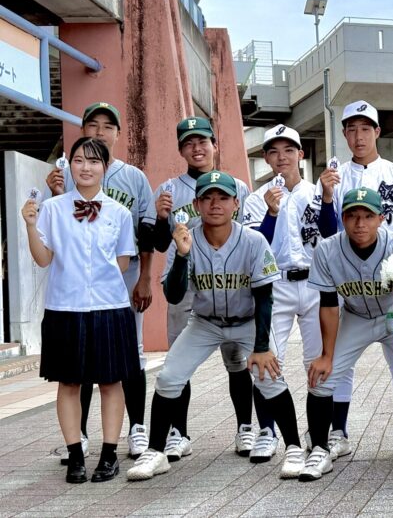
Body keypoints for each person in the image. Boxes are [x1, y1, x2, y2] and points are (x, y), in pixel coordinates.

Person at [127, 171, 305, 481]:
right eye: (207, 197)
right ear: (196, 205)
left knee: (270, 377)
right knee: (169, 378)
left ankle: (294, 448)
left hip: (248, 321)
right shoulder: (185, 238)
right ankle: (156, 452)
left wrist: (262, 347)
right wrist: (182, 256)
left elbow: (265, 297)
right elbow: (173, 295)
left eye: (223, 197)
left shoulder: (253, 240)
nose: (215, 203)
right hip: (205, 323)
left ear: (236, 203)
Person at [303, 188, 393, 481]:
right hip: (356, 316)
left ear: (381, 218)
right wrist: (326, 355)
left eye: (368, 216)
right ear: (343, 219)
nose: (360, 223)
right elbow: (328, 304)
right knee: (322, 377)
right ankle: (319, 449)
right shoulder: (327, 250)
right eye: (352, 215)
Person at [24, 136, 138, 483]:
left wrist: (97, 279)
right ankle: (75, 455)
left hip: (110, 306)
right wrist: (30, 225)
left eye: (93, 161)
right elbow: (43, 259)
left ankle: (109, 455)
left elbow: (122, 261)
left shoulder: (120, 213)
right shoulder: (52, 209)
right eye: (78, 160)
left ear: (105, 167)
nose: (85, 167)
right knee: (69, 383)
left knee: (111, 381)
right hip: (65, 307)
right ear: (68, 165)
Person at [46, 102, 155, 459]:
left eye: (108, 126)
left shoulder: (133, 179)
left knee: (126, 359)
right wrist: (52, 194)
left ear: (118, 134)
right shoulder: (64, 178)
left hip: (120, 283)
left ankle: (134, 430)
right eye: (93, 125)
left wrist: (145, 279)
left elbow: (143, 236)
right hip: (72, 289)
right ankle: (78, 438)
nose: (100, 131)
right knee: (76, 367)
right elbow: (52, 238)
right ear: (82, 132)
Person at [143, 116, 255, 460]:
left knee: (236, 359)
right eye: (189, 143)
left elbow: (250, 238)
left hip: (226, 286)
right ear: (181, 150)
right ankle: (179, 432)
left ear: (214, 145)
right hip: (185, 286)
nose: (197, 148)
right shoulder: (168, 189)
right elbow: (159, 245)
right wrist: (161, 219)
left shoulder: (237, 187)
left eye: (202, 141)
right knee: (180, 362)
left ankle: (245, 427)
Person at [315, 100, 393, 458]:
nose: (358, 136)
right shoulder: (334, 176)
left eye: (365, 128)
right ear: (344, 134)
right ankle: (338, 432)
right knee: (338, 361)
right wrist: (327, 197)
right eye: (351, 129)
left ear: (377, 131)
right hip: (350, 277)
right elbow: (326, 232)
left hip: (389, 279)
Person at [242, 125, 326, 462]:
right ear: (265, 157)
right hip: (275, 285)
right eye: (274, 151)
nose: (282, 157)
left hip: (314, 283)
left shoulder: (318, 194)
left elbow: (332, 234)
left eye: (289, 150)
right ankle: (267, 431)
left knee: (318, 363)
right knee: (264, 361)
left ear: (300, 154)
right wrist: (271, 213)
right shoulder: (255, 199)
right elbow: (254, 247)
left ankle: (318, 433)